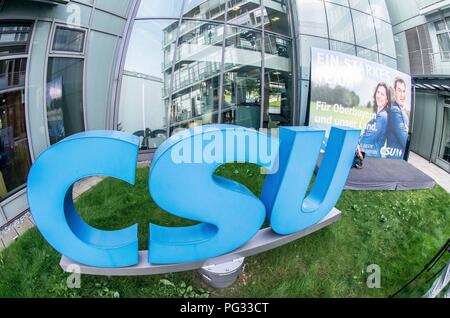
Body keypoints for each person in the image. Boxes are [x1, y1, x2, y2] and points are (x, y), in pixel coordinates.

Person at [359, 83, 391, 158]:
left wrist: (354, 141)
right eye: (378, 92)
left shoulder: (382, 116)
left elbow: (367, 140)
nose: (379, 95)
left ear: (387, 100)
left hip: (371, 157)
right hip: (370, 155)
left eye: (382, 94)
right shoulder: (380, 115)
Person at [386, 78, 409, 159]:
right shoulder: (395, 111)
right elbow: (405, 141)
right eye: (399, 90)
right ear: (394, 92)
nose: (402, 95)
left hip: (398, 159)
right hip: (394, 160)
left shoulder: (403, 112)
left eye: (403, 91)